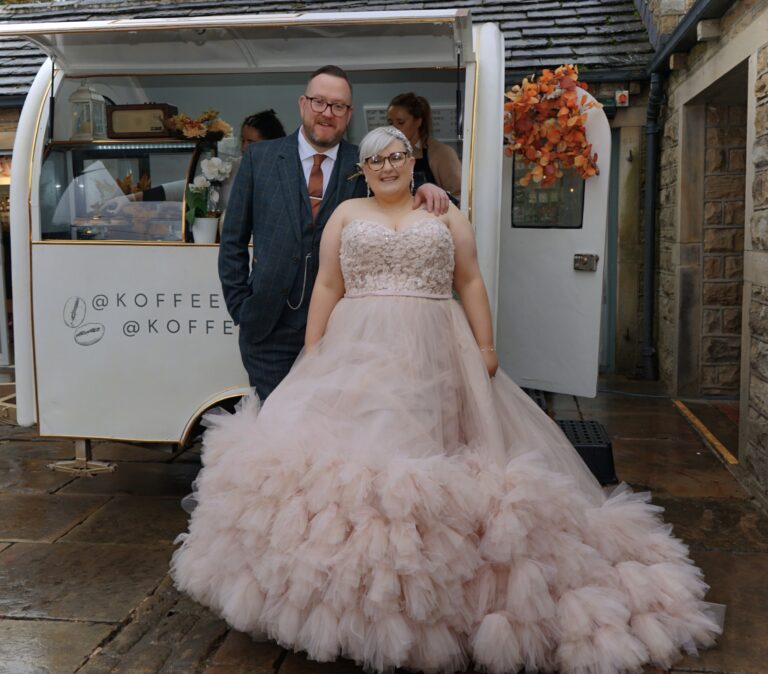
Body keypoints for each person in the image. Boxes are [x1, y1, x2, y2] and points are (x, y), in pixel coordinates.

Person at [173, 125, 721, 674]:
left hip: (434, 348)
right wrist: (313, 347)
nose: (387, 166)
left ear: (412, 161)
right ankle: (357, 602)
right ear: (361, 170)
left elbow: (472, 280)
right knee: (353, 466)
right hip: (356, 349)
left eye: (396, 156)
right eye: (374, 160)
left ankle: (427, 600)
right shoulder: (344, 215)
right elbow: (328, 286)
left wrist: (486, 345)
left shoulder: (443, 211)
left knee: (432, 461)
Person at [218, 66, 448, 400]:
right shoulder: (260, 158)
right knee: (277, 431)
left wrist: (426, 187)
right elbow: (233, 241)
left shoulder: (367, 162)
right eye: (319, 102)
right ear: (302, 104)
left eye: (338, 106)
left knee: (334, 434)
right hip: (268, 330)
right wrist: (242, 307)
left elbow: (401, 191)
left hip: (344, 333)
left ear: (349, 114)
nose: (328, 113)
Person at [388, 92, 462, 200]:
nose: (393, 128)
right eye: (390, 123)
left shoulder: (441, 153)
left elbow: (459, 195)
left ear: (418, 122)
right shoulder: (388, 154)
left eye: (400, 122)